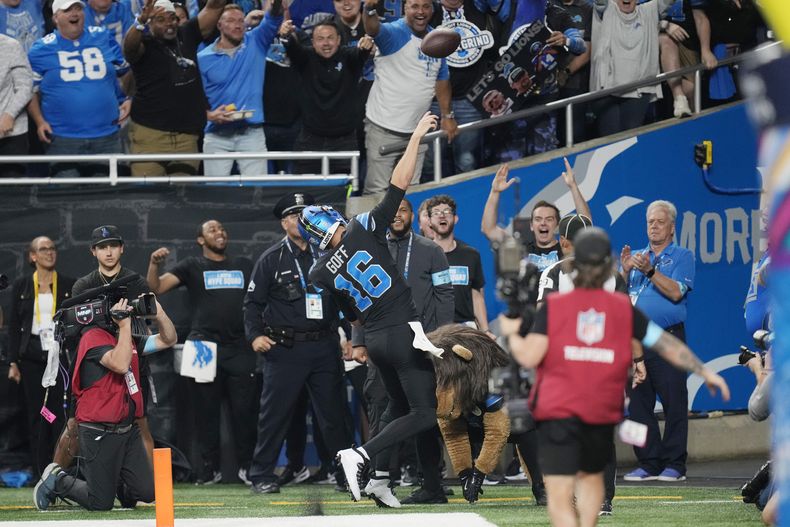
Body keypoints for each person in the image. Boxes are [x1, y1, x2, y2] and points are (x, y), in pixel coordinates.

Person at [504, 227, 729, 527]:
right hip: (596, 407)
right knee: (592, 482)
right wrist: (703, 371)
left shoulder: (555, 306)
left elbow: (531, 355)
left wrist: (511, 335)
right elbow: (663, 343)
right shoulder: (619, 307)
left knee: (559, 493)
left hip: (558, 406)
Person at [298, 112, 440, 507]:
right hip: (403, 331)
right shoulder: (362, 228)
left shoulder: (319, 271)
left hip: (375, 339)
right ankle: (359, 455)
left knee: (395, 407)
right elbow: (400, 181)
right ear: (333, 220)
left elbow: (353, 317)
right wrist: (414, 138)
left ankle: (379, 478)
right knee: (425, 413)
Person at [243, 192, 351, 494]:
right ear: (284, 223)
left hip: (325, 345)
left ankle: (344, 474)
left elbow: (344, 298)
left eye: (305, 215)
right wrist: (255, 336)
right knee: (274, 415)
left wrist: (351, 337)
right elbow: (252, 303)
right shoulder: (272, 258)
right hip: (285, 348)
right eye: (294, 215)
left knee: (334, 415)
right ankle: (262, 474)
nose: (300, 220)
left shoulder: (328, 254)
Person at [350, 197, 454, 504]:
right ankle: (375, 476)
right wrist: (358, 339)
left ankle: (432, 485)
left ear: (413, 216)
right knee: (381, 407)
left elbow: (445, 294)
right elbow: (359, 296)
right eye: (393, 210)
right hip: (382, 341)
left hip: (421, 345)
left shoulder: (431, 250)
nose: (398, 215)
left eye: (404, 210)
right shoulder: (370, 251)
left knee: (423, 414)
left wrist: (442, 338)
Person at [34, 292, 177, 511]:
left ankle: (115, 482)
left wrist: (159, 312)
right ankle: (58, 478)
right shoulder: (92, 337)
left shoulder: (126, 337)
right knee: (100, 503)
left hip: (127, 430)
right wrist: (125, 325)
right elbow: (120, 364)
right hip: (98, 430)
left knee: (148, 493)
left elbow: (169, 339)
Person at [147, 219, 256, 485]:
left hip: (239, 347)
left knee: (245, 412)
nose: (220, 233)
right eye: (212, 230)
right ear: (200, 239)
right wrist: (154, 264)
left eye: (222, 229)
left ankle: (247, 468)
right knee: (205, 413)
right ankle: (209, 470)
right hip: (202, 347)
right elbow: (155, 288)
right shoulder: (191, 266)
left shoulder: (243, 265)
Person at [52, 225, 155, 475]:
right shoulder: (84, 286)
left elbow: (146, 328)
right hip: (95, 364)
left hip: (130, 360)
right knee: (75, 423)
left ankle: (154, 489)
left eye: (112, 246)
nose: (108, 252)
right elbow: (75, 331)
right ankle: (51, 480)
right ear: (93, 252)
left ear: (121, 248)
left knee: (140, 423)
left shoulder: (135, 282)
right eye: (102, 247)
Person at [620, 200, 695, 482]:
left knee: (674, 402)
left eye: (659, 221)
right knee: (637, 404)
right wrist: (624, 271)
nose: (653, 225)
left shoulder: (682, 256)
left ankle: (675, 464)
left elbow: (677, 292)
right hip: (635, 342)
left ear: (672, 228)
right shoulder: (637, 257)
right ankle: (649, 462)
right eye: (650, 221)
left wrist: (650, 271)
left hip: (667, 339)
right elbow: (618, 297)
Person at [428, 324, 545, 505]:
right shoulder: (438, 377)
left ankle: (541, 487)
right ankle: (430, 486)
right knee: (426, 424)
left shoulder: (490, 380)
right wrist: (465, 474)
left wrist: (478, 473)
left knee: (527, 426)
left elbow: (497, 431)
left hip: (503, 424)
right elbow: (451, 431)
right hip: (472, 422)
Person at [361, 0, 457, 194]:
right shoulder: (393, 32)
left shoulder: (436, 40)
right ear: (404, 8)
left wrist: (447, 116)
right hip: (383, 129)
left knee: (411, 192)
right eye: (415, 6)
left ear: (433, 9)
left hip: (416, 133)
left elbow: (442, 80)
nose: (421, 12)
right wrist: (369, 8)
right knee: (376, 191)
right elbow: (372, 29)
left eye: (426, 6)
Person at [26, 0, 131, 178]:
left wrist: (127, 98)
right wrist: (39, 121)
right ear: (55, 18)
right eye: (67, 10)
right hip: (62, 138)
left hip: (107, 135)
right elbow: (29, 91)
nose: (74, 14)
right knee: (67, 200)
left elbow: (125, 70)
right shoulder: (40, 49)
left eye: (78, 9)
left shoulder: (103, 36)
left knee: (107, 201)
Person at [124, 0, 226, 177]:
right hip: (150, 136)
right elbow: (129, 49)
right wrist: (140, 21)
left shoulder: (186, 33)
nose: (169, 24)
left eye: (172, 18)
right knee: (147, 197)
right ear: (150, 23)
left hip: (186, 136)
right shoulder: (144, 43)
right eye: (160, 19)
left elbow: (215, 7)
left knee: (183, 198)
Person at [6, 237, 75, 477]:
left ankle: (58, 469)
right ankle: (39, 469)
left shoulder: (67, 284)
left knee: (58, 412)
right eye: (43, 249)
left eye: (52, 248)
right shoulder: (23, 286)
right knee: (38, 412)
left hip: (58, 354)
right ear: (32, 256)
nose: (49, 253)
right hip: (32, 356)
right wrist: (13, 361)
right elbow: (14, 326)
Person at [197, 1, 283, 176]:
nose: (237, 24)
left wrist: (276, 4)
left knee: (257, 191)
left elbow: (273, 17)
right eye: (231, 21)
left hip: (251, 133)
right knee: (215, 193)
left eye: (240, 20)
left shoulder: (256, 41)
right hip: (216, 135)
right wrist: (209, 115)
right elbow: (191, 98)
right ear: (219, 25)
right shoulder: (202, 58)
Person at [281, 19, 373, 174]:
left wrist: (365, 47)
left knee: (345, 192)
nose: (326, 43)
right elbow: (292, 48)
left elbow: (360, 53)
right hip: (310, 138)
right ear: (313, 42)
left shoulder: (349, 57)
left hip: (345, 140)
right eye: (320, 39)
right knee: (306, 191)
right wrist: (286, 37)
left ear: (338, 40)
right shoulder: (305, 57)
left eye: (330, 38)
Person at [482, 160, 591, 273]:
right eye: (538, 219)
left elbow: (585, 224)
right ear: (531, 226)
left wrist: (573, 186)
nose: (543, 223)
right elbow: (489, 230)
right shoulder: (521, 248)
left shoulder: (566, 248)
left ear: (557, 225)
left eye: (549, 219)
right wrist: (495, 192)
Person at [590, 0, 674, 136]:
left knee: (629, 138)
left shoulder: (649, 11)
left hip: (637, 89)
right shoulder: (605, 8)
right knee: (609, 138)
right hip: (605, 89)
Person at [426, 194, 491, 334]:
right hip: (434, 331)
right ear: (430, 222)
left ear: (455, 219)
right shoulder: (422, 255)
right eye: (436, 213)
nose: (442, 216)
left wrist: (486, 330)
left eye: (447, 212)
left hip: (466, 329)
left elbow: (476, 295)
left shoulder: (471, 254)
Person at [658, 0, 717, 118]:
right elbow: (638, 16)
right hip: (655, 37)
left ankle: (694, 126)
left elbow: (700, 17)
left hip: (687, 39)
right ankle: (679, 97)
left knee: (691, 90)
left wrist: (706, 50)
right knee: (667, 41)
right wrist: (666, 25)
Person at [0, 33, 32, 178]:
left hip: (12, 134)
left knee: (14, 194)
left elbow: (25, 86)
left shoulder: (10, 45)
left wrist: (9, 115)